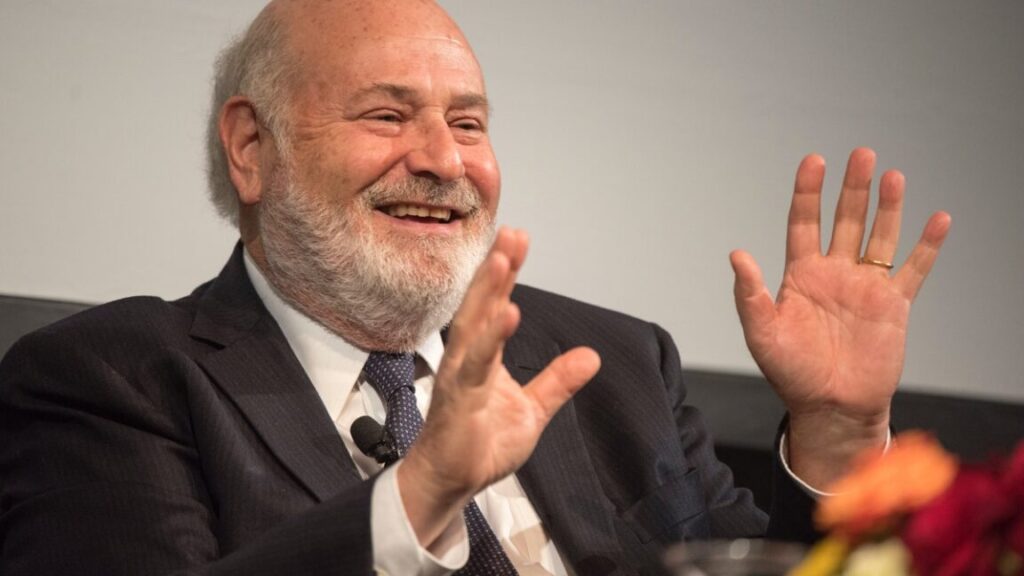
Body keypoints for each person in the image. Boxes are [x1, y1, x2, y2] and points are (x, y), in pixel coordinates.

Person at [0, 1, 950, 575]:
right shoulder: (114, 379)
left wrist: (838, 433)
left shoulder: (615, 366)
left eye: (468, 123)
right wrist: (421, 493)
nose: (444, 161)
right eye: (387, 115)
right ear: (252, 147)